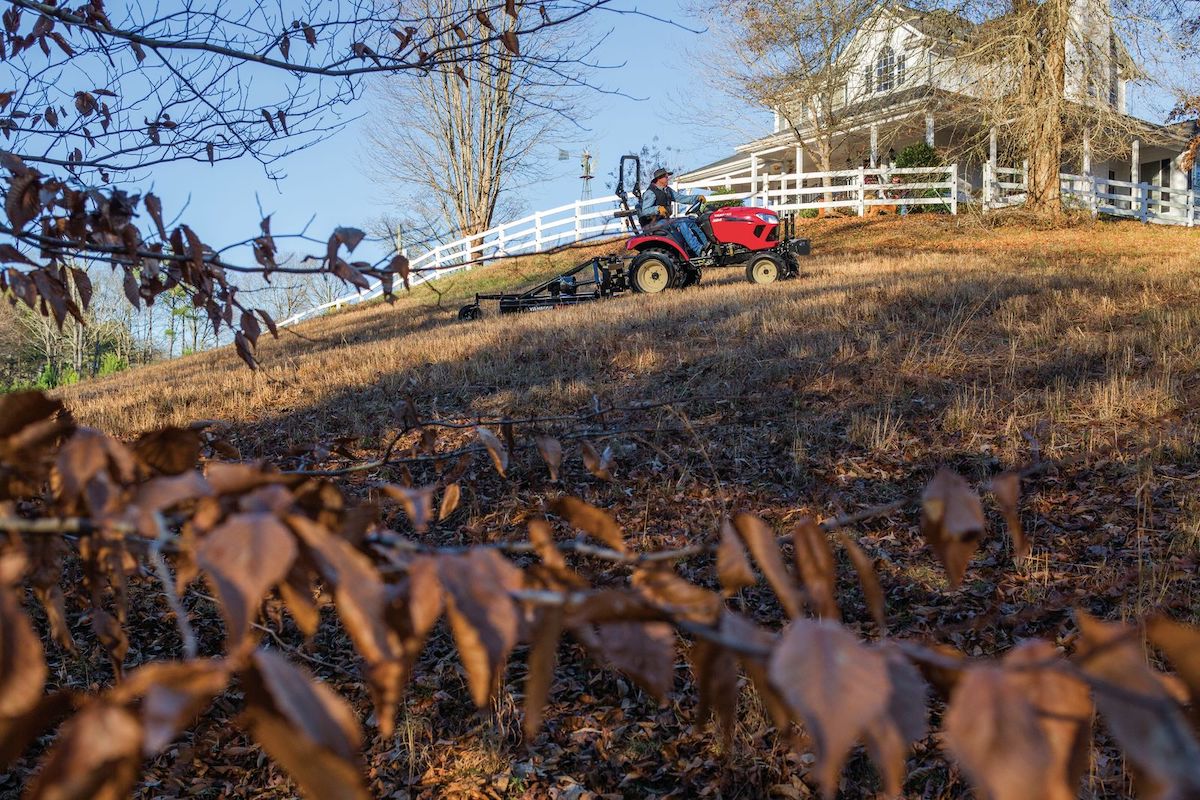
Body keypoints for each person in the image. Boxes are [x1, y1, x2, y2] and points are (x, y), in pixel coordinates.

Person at [639, 167, 709, 257]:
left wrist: (696, 197)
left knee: (691, 221)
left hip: (664, 220)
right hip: (654, 223)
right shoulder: (651, 193)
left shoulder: (667, 190)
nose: (668, 179)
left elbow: (681, 198)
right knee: (681, 223)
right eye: (666, 177)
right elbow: (645, 210)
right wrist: (657, 209)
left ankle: (706, 246)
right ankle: (698, 250)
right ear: (659, 179)